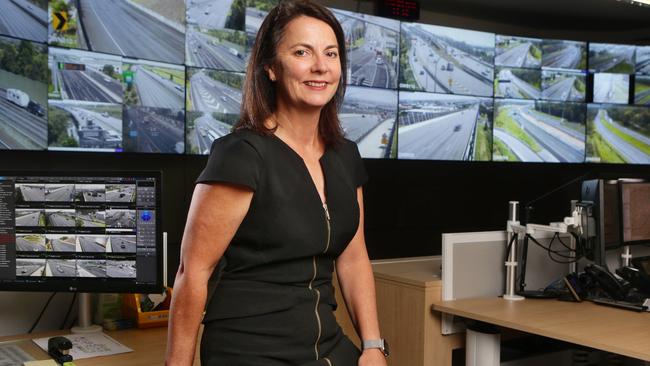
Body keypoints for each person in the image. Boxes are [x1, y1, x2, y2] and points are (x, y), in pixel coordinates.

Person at [166, 1, 387, 365]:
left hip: (324, 344)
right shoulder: (241, 154)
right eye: (302, 52)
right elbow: (193, 273)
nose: (320, 66)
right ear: (270, 67)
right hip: (251, 348)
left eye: (330, 54)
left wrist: (373, 344)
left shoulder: (345, 156)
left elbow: (353, 256)